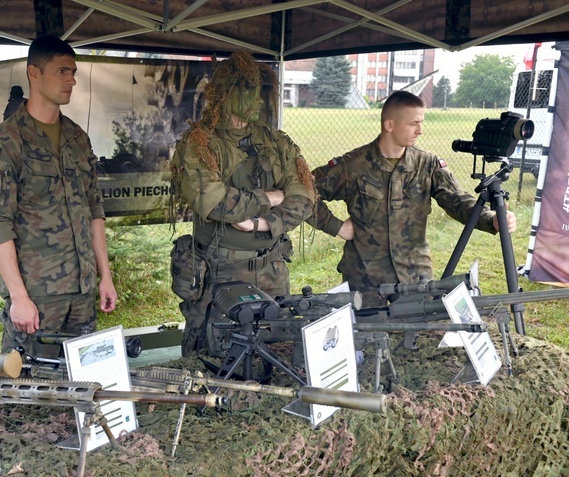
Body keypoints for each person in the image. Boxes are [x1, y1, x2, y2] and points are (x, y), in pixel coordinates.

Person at [308, 90, 517, 310]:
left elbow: (458, 201)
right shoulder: (353, 165)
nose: (420, 130)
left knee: (417, 340)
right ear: (390, 125)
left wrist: (490, 218)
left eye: (421, 123)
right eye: (413, 123)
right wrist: (337, 227)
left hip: (415, 279)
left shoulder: (427, 164)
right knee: (364, 340)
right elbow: (304, 192)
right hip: (365, 281)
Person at [0, 35, 117, 358]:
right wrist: (19, 297)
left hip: (81, 292)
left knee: (82, 389)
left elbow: (94, 210)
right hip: (37, 295)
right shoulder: (7, 143)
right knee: (28, 393)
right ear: (34, 74)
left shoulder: (76, 138)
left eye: (73, 72)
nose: (72, 80)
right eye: (62, 72)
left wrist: (104, 277)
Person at [169, 49, 315, 357]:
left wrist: (263, 222)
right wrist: (270, 197)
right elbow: (218, 204)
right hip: (222, 274)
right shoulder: (200, 144)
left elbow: (304, 196)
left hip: (272, 269)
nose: (259, 100)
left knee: (276, 354)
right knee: (216, 357)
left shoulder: (276, 142)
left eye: (262, 93)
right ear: (225, 93)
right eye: (250, 91)